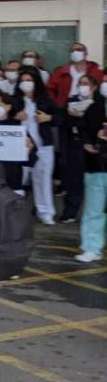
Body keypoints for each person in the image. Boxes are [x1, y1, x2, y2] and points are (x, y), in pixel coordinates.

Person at [18, 68, 61, 225]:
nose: (26, 83)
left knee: (43, 179)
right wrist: (14, 115)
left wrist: (48, 117)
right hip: (20, 146)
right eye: (23, 80)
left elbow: (60, 118)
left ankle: (46, 212)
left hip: (43, 146)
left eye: (29, 80)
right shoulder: (15, 100)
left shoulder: (45, 100)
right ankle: (15, 212)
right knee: (18, 179)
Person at [60, 75, 98, 222]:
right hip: (75, 144)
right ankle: (70, 211)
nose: (82, 86)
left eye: (86, 84)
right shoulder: (72, 101)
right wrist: (74, 117)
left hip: (96, 146)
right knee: (73, 180)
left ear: (94, 87)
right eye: (80, 83)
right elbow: (64, 120)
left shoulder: (99, 103)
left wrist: (83, 116)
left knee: (95, 183)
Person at [77, 80, 107, 262]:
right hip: (96, 164)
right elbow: (83, 131)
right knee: (93, 208)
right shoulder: (94, 108)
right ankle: (91, 246)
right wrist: (88, 143)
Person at [47, 42, 104, 107]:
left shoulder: (96, 72)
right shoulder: (60, 72)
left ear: (85, 53)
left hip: (89, 107)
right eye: (72, 50)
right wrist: (57, 103)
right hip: (65, 107)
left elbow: (101, 91)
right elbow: (50, 89)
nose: (75, 52)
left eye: (79, 50)